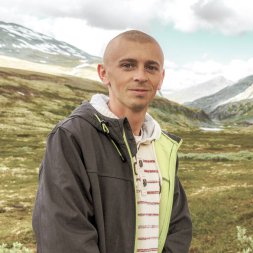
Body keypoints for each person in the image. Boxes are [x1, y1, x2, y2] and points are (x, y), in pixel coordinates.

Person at [32, 30, 192, 253]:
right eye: (128, 65)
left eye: (151, 67)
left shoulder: (163, 146)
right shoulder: (71, 137)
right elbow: (64, 237)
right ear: (104, 73)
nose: (141, 76)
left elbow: (178, 228)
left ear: (161, 77)